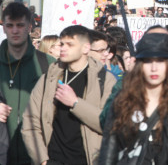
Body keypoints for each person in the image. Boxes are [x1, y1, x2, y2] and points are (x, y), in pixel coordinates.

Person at [99, 33, 168, 164]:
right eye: (148, 61)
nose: (154, 68)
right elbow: (108, 153)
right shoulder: (123, 102)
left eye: (160, 61)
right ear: (139, 65)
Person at [22, 25, 117, 164]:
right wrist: (42, 160)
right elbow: (31, 122)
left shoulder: (105, 80)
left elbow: (110, 124)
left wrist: (75, 103)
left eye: (70, 45)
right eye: (61, 44)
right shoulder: (48, 78)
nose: (63, 48)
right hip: (53, 160)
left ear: (86, 48)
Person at [0, 2, 56, 164]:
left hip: (39, 155)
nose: (15, 30)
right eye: (10, 25)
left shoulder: (48, 64)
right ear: (3, 27)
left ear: (29, 27)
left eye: (20, 25)